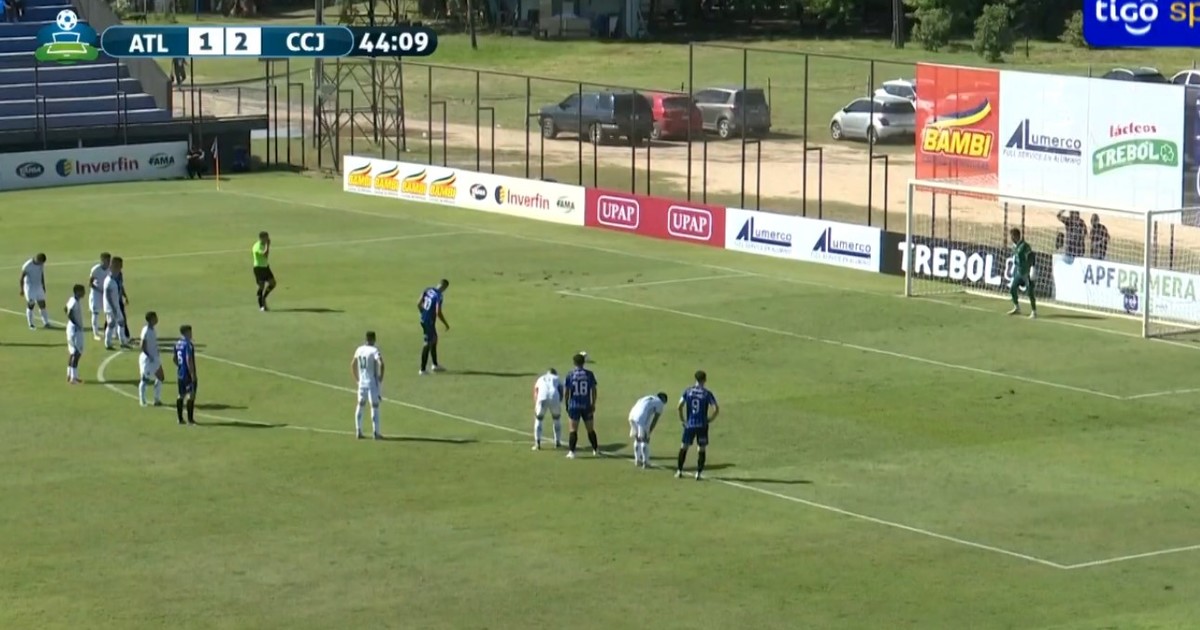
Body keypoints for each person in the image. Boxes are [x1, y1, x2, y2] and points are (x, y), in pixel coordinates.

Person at [676, 370, 719, 480]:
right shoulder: (707, 393)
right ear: (705, 380)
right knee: (701, 448)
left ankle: (679, 471)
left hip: (690, 424)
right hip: (702, 425)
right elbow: (715, 408)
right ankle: (698, 473)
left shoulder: (688, 391)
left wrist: (682, 420)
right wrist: (710, 419)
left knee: (684, 447)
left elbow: (679, 406)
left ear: (695, 379)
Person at [563, 352, 599, 459]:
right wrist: (593, 403)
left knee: (573, 429)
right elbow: (593, 390)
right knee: (590, 429)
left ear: (574, 363)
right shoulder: (589, 374)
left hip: (574, 405)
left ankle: (572, 452)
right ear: (584, 362)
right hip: (586, 405)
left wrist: (566, 403)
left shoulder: (570, 375)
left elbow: (567, 392)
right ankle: (595, 449)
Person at [351, 330, 385, 440]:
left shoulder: (359, 349)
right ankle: (376, 432)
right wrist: (380, 378)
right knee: (374, 406)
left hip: (362, 382)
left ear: (366, 339)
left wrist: (357, 379)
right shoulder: (374, 350)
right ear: (374, 339)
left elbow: (353, 364)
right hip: (372, 383)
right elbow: (381, 364)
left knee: (360, 405)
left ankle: (358, 430)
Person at [417, 279, 449, 374]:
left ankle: (435, 365)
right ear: (445, 287)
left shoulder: (428, 290)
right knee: (427, 343)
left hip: (424, 319)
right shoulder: (439, 296)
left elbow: (418, 303)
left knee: (434, 339)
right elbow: (438, 312)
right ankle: (422, 369)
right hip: (429, 322)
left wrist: (423, 314)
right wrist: (445, 324)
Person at [628, 392, 668, 469]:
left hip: (632, 415)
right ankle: (645, 462)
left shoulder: (648, 398)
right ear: (663, 400)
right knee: (644, 440)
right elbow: (655, 419)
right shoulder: (660, 403)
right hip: (641, 417)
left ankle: (637, 460)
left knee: (637, 438)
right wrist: (650, 431)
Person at [1007, 228, 1037, 319]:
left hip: (1026, 273)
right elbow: (1016, 259)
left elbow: (1031, 256)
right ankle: (1017, 307)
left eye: (1012, 236)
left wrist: (1032, 268)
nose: (1011, 238)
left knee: (1030, 292)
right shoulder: (1014, 246)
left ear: (1016, 236)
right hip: (1018, 272)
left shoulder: (1025, 246)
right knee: (1012, 289)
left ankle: (1034, 311)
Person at [532, 367, 563, 450]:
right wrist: (559, 402)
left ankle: (537, 443)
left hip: (542, 397)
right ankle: (557, 442)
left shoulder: (541, 378)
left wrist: (536, 404)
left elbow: (536, 391)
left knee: (539, 419)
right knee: (556, 419)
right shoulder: (557, 378)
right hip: (554, 396)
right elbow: (561, 390)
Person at [102, 257, 129, 349]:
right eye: (119, 265)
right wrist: (113, 308)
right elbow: (107, 296)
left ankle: (123, 341)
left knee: (121, 322)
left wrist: (124, 296)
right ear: (114, 266)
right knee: (111, 324)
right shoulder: (109, 281)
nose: (121, 267)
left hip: (116, 305)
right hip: (110, 307)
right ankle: (108, 343)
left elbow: (120, 287)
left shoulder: (117, 277)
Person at [138, 311, 164, 407]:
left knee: (161, 377)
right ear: (151, 319)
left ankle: (157, 399)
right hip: (148, 359)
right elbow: (142, 345)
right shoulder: (146, 330)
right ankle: (142, 400)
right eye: (155, 317)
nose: (157, 319)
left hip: (155, 358)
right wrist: (149, 356)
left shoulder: (153, 329)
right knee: (145, 379)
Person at [19, 252, 50, 330]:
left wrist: (43, 285)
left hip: (38, 286)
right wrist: (22, 289)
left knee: (42, 304)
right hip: (30, 287)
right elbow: (21, 278)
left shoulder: (41, 264)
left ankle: (46, 322)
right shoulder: (27, 265)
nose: (42, 264)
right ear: (38, 259)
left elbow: (41, 274)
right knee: (31, 305)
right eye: (41, 262)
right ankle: (31, 324)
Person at [173, 324, 197, 425]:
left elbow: (174, 359)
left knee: (181, 395)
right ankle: (190, 420)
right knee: (191, 395)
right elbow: (188, 359)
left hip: (180, 374)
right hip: (188, 374)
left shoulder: (177, 344)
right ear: (187, 332)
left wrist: (180, 367)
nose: (191, 334)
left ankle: (180, 419)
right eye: (190, 332)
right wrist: (192, 374)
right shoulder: (188, 344)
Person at [64, 284, 85, 384]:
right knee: (77, 353)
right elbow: (69, 312)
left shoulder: (72, 299)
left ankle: (70, 375)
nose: (84, 293)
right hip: (75, 330)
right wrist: (75, 323)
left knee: (73, 352)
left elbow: (65, 309)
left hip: (71, 329)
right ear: (77, 292)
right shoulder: (74, 302)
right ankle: (73, 377)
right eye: (82, 291)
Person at [87, 252, 111, 340]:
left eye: (109, 260)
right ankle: (95, 333)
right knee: (95, 313)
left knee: (108, 312)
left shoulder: (110, 269)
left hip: (106, 293)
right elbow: (90, 283)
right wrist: (99, 290)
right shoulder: (95, 269)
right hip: (96, 293)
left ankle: (109, 331)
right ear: (102, 260)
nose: (108, 262)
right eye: (106, 260)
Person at [252, 231, 276, 311]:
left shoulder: (264, 245)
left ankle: (264, 297)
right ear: (261, 238)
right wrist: (268, 245)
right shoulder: (257, 246)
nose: (268, 239)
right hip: (259, 268)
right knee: (261, 286)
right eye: (266, 237)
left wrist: (267, 245)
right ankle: (261, 305)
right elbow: (265, 254)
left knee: (273, 283)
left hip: (265, 267)